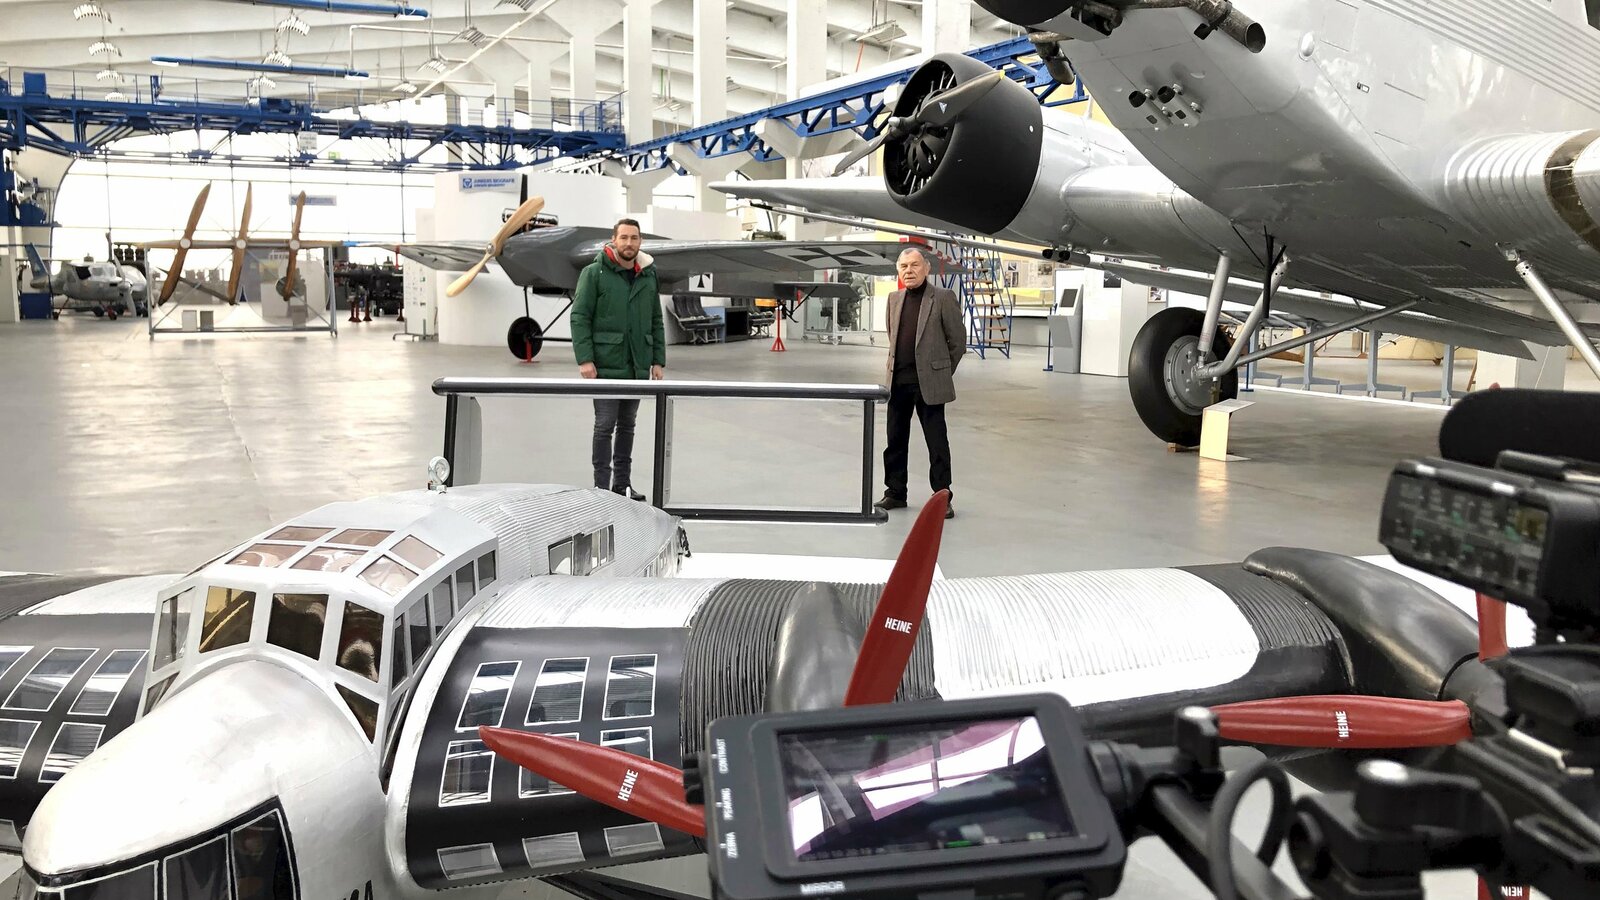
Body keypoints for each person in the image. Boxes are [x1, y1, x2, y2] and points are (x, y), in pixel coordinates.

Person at [571, 218, 665, 501]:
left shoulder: (648, 275)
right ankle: (601, 488)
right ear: (613, 240)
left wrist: (657, 360)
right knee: (604, 426)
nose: (629, 243)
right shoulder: (594, 273)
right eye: (623, 237)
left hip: (637, 365)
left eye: (634, 238)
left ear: (640, 241)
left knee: (627, 426)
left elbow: (655, 319)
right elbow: (580, 316)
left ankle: (622, 484)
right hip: (605, 365)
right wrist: (585, 359)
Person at [877, 246, 965, 519]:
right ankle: (895, 492)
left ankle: (942, 497)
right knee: (895, 440)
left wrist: (940, 372)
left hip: (929, 383)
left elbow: (958, 342)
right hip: (898, 382)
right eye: (904, 267)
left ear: (926, 268)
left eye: (914, 265)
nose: (909, 271)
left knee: (936, 443)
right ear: (898, 271)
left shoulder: (942, 298)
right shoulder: (894, 299)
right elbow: (893, 337)